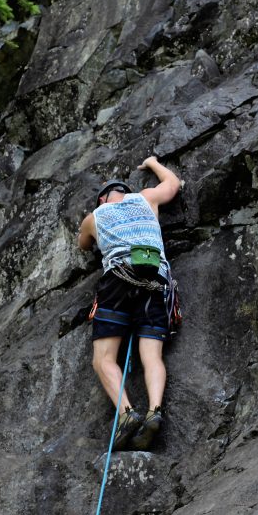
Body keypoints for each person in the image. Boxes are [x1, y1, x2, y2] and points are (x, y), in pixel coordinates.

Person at [77, 155, 181, 450]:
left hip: (117, 281)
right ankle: (154, 411)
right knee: (152, 356)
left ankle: (126, 414)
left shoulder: (95, 217)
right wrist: (153, 163)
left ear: (102, 199)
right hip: (154, 280)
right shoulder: (146, 198)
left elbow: (83, 244)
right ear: (126, 192)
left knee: (103, 358)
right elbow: (172, 184)